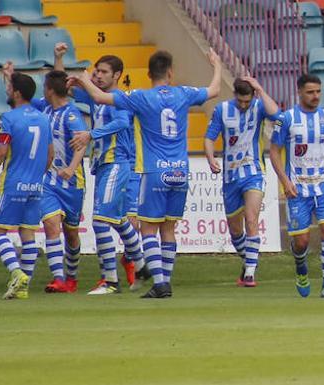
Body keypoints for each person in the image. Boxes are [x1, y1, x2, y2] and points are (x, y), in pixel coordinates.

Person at [69, 48, 222, 298]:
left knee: (149, 230)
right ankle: (166, 281)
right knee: (169, 230)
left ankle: (160, 283)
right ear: (170, 73)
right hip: (181, 170)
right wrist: (216, 65)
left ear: (149, 73)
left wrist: (85, 80)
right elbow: (214, 90)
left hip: (154, 171)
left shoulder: (140, 97)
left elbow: (99, 98)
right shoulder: (183, 93)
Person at [57, 46, 145, 295]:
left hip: (118, 163)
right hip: (105, 165)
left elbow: (122, 122)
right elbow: (62, 90)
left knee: (99, 222)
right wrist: (60, 61)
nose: (97, 76)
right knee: (117, 220)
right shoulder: (96, 99)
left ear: (116, 75)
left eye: (103, 72)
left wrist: (90, 134)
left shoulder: (122, 99)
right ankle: (141, 265)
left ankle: (111, 281)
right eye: (95, 72)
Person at [5, 63, 89, 293]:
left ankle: (71, 277)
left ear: (50, 90)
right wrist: (9, 78)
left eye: (45, 86)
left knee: (71, 233)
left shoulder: (71, 114)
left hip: (72, 182)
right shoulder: (44, 107)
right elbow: (19, 99)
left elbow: (82, 142)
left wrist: (72, 168)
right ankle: (59, 278)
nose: (43, 90)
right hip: (50, 180)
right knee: (51, 226)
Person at [269, 74, 324, 298]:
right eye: (311, 92)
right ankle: (301, 268)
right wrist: (285, 181)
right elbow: (274, 152)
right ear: (300, 92)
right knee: (301, 241)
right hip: (298, 188)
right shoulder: (286, 119)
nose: (315, 96)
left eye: (318, 91)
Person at [204, 77, 279, 287]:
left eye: (247, 101)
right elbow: (209, 137)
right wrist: (210, 159)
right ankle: (249, 261)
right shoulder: (222, 110)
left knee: (251, 218)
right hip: (230, 176)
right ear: (234, 95)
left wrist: (260, 89)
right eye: (240, 101)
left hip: (253, 171)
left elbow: (276, 114)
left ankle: (250, 274)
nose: (244, 105)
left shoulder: (259, 107)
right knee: (235, 230)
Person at [0, 71, 53, 300]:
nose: (6, 90)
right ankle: (23, 286)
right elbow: (50, 155)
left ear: (16, 93)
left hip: (13, 184)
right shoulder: (44, 118)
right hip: (36, 186)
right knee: (28, 235)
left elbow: (2, 151)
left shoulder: (8, 118)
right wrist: (36, 175)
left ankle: (16, 273)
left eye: (8, 87)